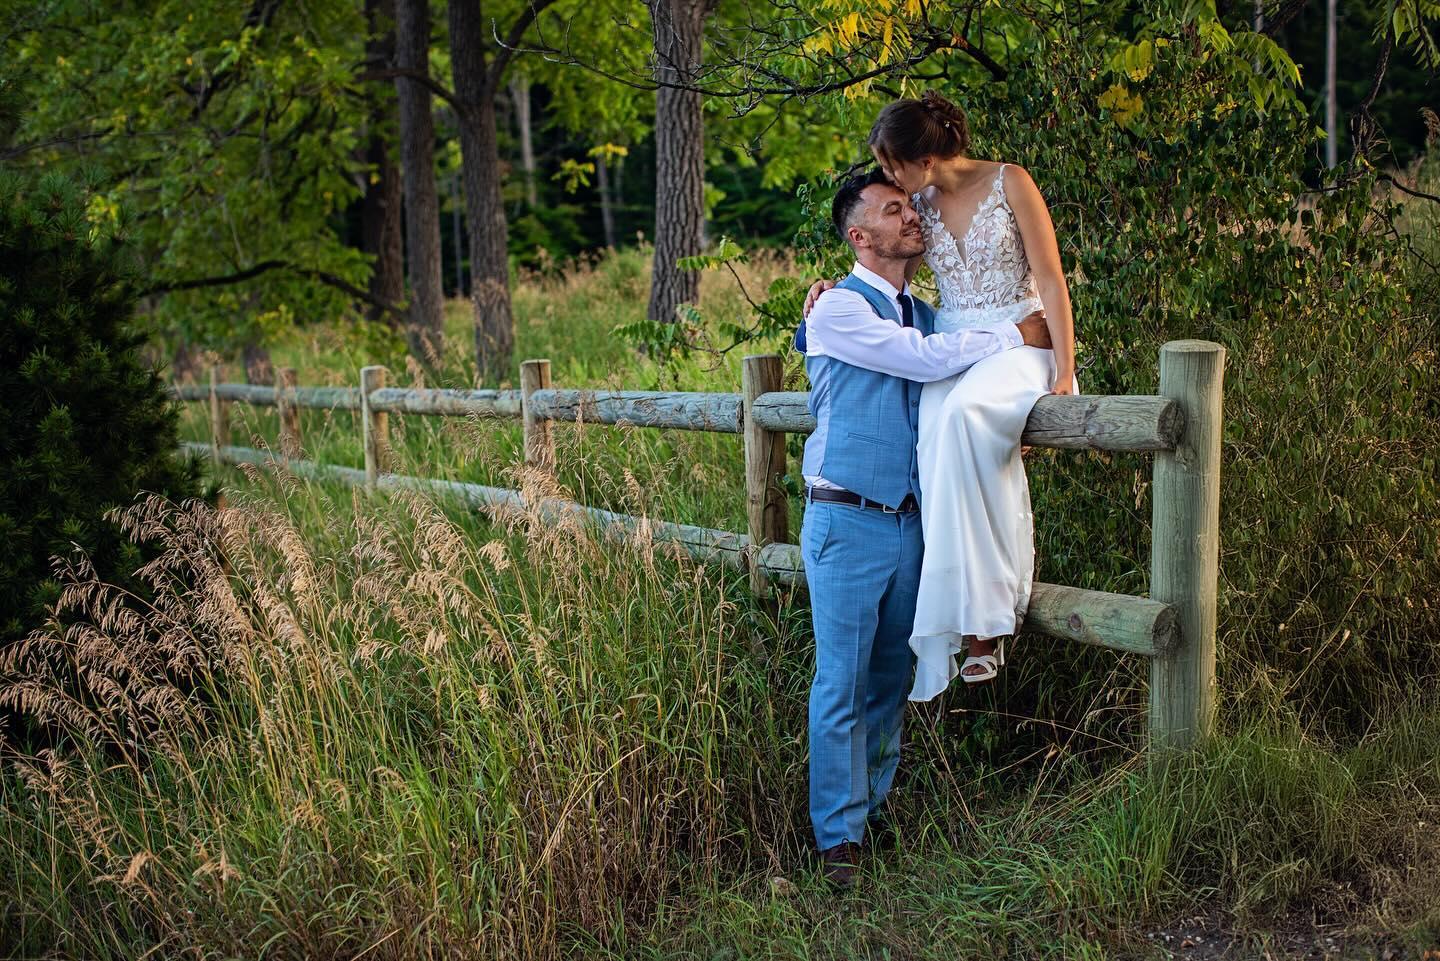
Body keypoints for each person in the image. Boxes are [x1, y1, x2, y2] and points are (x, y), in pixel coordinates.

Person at [796, 166, 1051, 888]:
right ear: (859, 235)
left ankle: (870, 815)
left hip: (908, 524)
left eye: (909, 205)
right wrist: (1014, 333)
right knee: (841, 681)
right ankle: (837, 840)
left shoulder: (926, 311)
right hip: (845, 517)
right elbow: (922, 361)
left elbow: (955, 356)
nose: (912, 217)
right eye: (891, 209)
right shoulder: (839, 310)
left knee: (885, 681)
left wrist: (1018, 385)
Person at [805, 90, 1078, 698]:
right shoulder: (917, 205)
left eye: (893, 164)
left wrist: (1064, 371)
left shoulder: (1012, 182)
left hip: (1023, 340)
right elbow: (872, 252)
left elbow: (1053, 278)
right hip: (955, 341)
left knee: (962, 416)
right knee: (933, 444)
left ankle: (988, 621)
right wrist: (826, 285)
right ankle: (955, 622)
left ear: (923, 159)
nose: (888, 177)